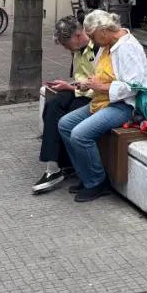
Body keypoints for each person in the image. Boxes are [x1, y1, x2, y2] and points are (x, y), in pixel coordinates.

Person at [58, 9, 147, 202]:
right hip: (104, 100)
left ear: (102, 30)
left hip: (126, 106)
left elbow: (134, 86)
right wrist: (89, 84)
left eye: (92, 36)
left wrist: (100, 86)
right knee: (65, 124)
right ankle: (86, 176)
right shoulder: (107, 45)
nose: (91, 41)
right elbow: (103, 75)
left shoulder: (127, 47)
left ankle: (97, 182)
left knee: (80, 134)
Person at [32, 17, 97, 194]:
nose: (64, 47)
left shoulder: (97, 47)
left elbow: (102, 83)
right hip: (80, 90)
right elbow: (81, 78)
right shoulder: (76, 49)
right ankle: (52, 168)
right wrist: (68, 85)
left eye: (65, 43)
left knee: (69, 114)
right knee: (52, 105)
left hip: (97, 95)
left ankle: (66, 163)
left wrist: (71, 87)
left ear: (77, 35)